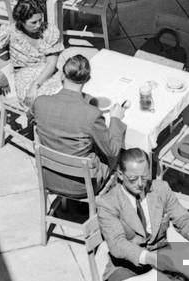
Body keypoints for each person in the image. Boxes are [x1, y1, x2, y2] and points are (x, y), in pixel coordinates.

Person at [96, 148, 189, 281]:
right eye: (133, 179)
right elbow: (117, 244)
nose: (140, 184)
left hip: (162, 255)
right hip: (125, 266)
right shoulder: (107, 203)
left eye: (144, 177)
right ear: (120, 174)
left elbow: (183, 218)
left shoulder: (161, 189)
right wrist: (149, 258)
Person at [33, 54, 127, 195]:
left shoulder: (40, 102)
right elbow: (112, 150)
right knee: (116, 150)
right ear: (87, 79)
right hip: (82, 187)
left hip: (48, 178)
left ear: (62, 76)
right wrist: (115, 119)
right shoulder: (92, 115)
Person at [0, 0, 63, 109]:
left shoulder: (49, 30)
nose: (38, 25)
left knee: (64, 102)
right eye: (33, 22)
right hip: (24, 77)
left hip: (47, 74)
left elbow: (51, 64)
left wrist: (36, 85)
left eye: (40, 20)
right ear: (21, 21)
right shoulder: (10, 30)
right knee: (43, 106)